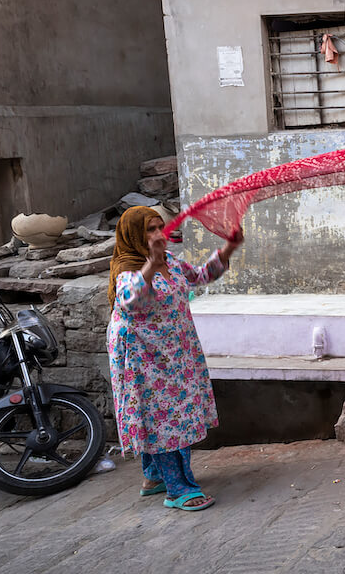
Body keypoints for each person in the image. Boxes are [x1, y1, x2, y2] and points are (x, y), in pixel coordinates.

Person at [106, 206, 242, 512]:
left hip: (173, 351)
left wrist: (229, 247)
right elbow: (129, 301)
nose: (159, 235)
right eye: (151, 230)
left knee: (173, 410)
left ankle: (154, 476)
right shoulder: (128, 268)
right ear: (134, 236)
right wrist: (151, 265)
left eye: (160, 228)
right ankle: (178, 488)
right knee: (160, 417)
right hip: (142, 355)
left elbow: (200, 276)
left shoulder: (171, 263)